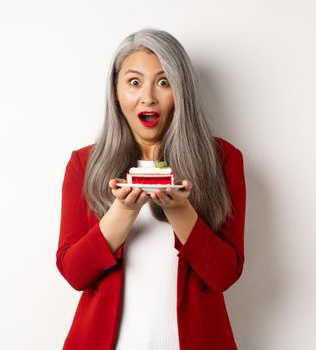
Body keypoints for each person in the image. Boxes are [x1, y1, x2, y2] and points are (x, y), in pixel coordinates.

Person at [56, 28, 246, 350]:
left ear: (181, 90)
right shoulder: (84, 163)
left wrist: (179, 209)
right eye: (134, 82)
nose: (148, 97)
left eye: (163, 82)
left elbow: (224, 275)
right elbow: (75, 274)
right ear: (116, 92)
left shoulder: (223, 159)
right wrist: (124, 211)